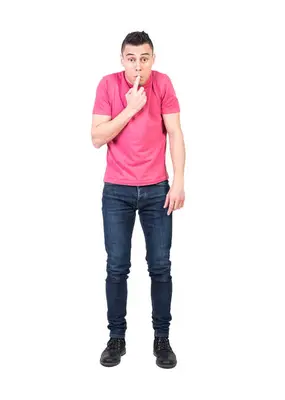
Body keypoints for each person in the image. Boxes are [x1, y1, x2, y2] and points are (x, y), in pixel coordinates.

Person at [91, 31, 186, 369]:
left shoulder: (162, 84)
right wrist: (130, 109)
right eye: (131, 58)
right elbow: (96, 138)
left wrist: (178, 182)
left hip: (157, 189)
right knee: (117, 267)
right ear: (122, 60)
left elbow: (174, 133)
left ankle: (162, 338)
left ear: (152, 59)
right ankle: (116, 338)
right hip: (116, 190)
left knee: (160, 266)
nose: (137, 65)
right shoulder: (107, 86)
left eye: (144, 58)